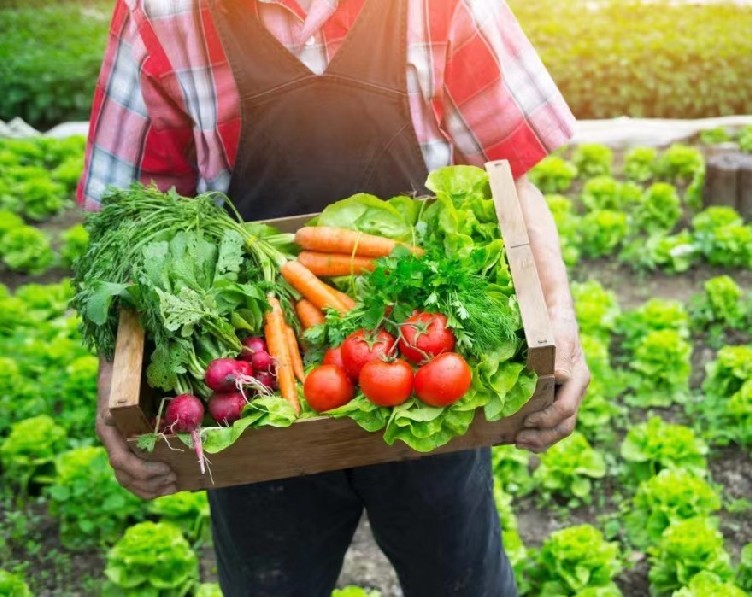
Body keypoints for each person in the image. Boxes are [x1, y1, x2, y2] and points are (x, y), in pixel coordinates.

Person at [78, 0, 589, 594]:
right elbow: (132, 228)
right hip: (259, 391)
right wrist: (117, 381)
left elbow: (508, 172)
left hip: (425, 368)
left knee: (461, 579)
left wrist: (558, 320)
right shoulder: (158, 14)